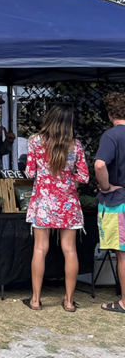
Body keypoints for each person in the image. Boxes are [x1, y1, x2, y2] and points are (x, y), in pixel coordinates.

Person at [23, 105, 88, 312]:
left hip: (43, 201)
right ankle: (68, 302)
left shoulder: (35, 142)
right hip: (68, 202)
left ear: (49, 118)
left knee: (40, 249)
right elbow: (84, 176)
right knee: (70, 250)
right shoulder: (75, 145)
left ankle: (35, 300)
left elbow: (28, 173)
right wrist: (68, 179)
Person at [94, 92, 125, 314]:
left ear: (109, 113)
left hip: (118, 202)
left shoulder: (112, 135)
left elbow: (99, 164)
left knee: (122, 253)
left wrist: (105, 187)